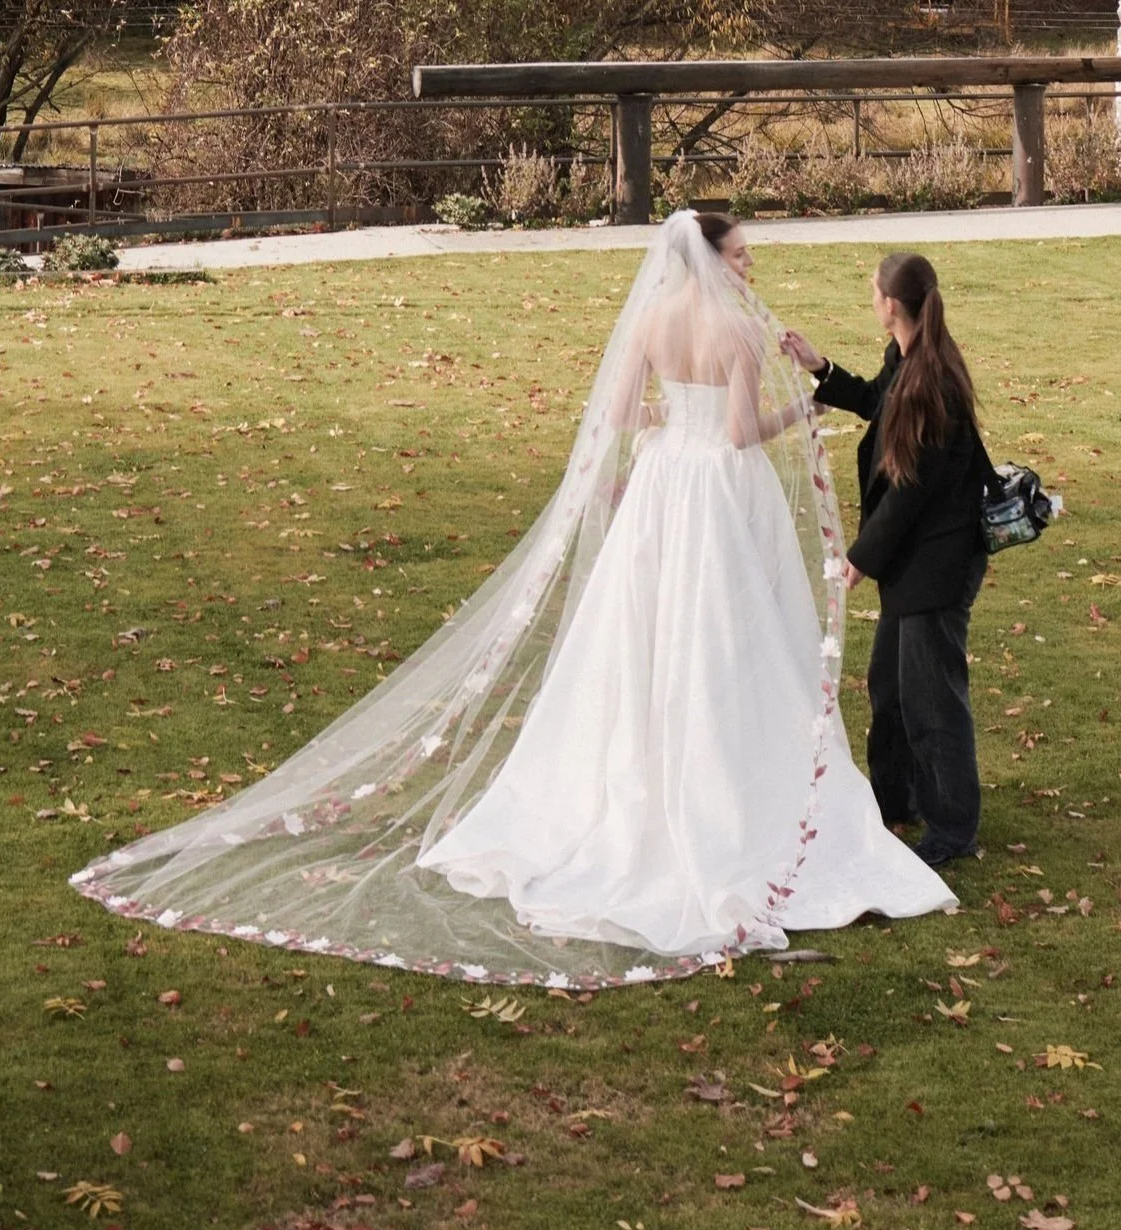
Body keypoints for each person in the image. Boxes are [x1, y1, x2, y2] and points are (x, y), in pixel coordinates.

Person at [71, 211, 953, 989]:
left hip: (660, 491)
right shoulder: (737, 332)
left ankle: (642, 772)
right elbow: (735, 434)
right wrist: (802, 412)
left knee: (644, 633)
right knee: (726, 635)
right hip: (717, 494)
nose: (749, 266)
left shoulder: (651, 317)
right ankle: (728, 781)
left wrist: (665, 432)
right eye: (742, 255)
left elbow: (620, 416)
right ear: (713, 260)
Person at [781, 252, 991, 868]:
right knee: (890, 686)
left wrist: (861, 557)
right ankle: (894, 798)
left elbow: (911, 488)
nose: (871, 300)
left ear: (891, 305)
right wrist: (821, 368)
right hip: (915, 561)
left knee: (932, 701)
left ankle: (952, 826)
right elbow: (878, 399)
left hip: (938, 562)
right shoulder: (909, 358)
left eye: (873, 292)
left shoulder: (932, 379)